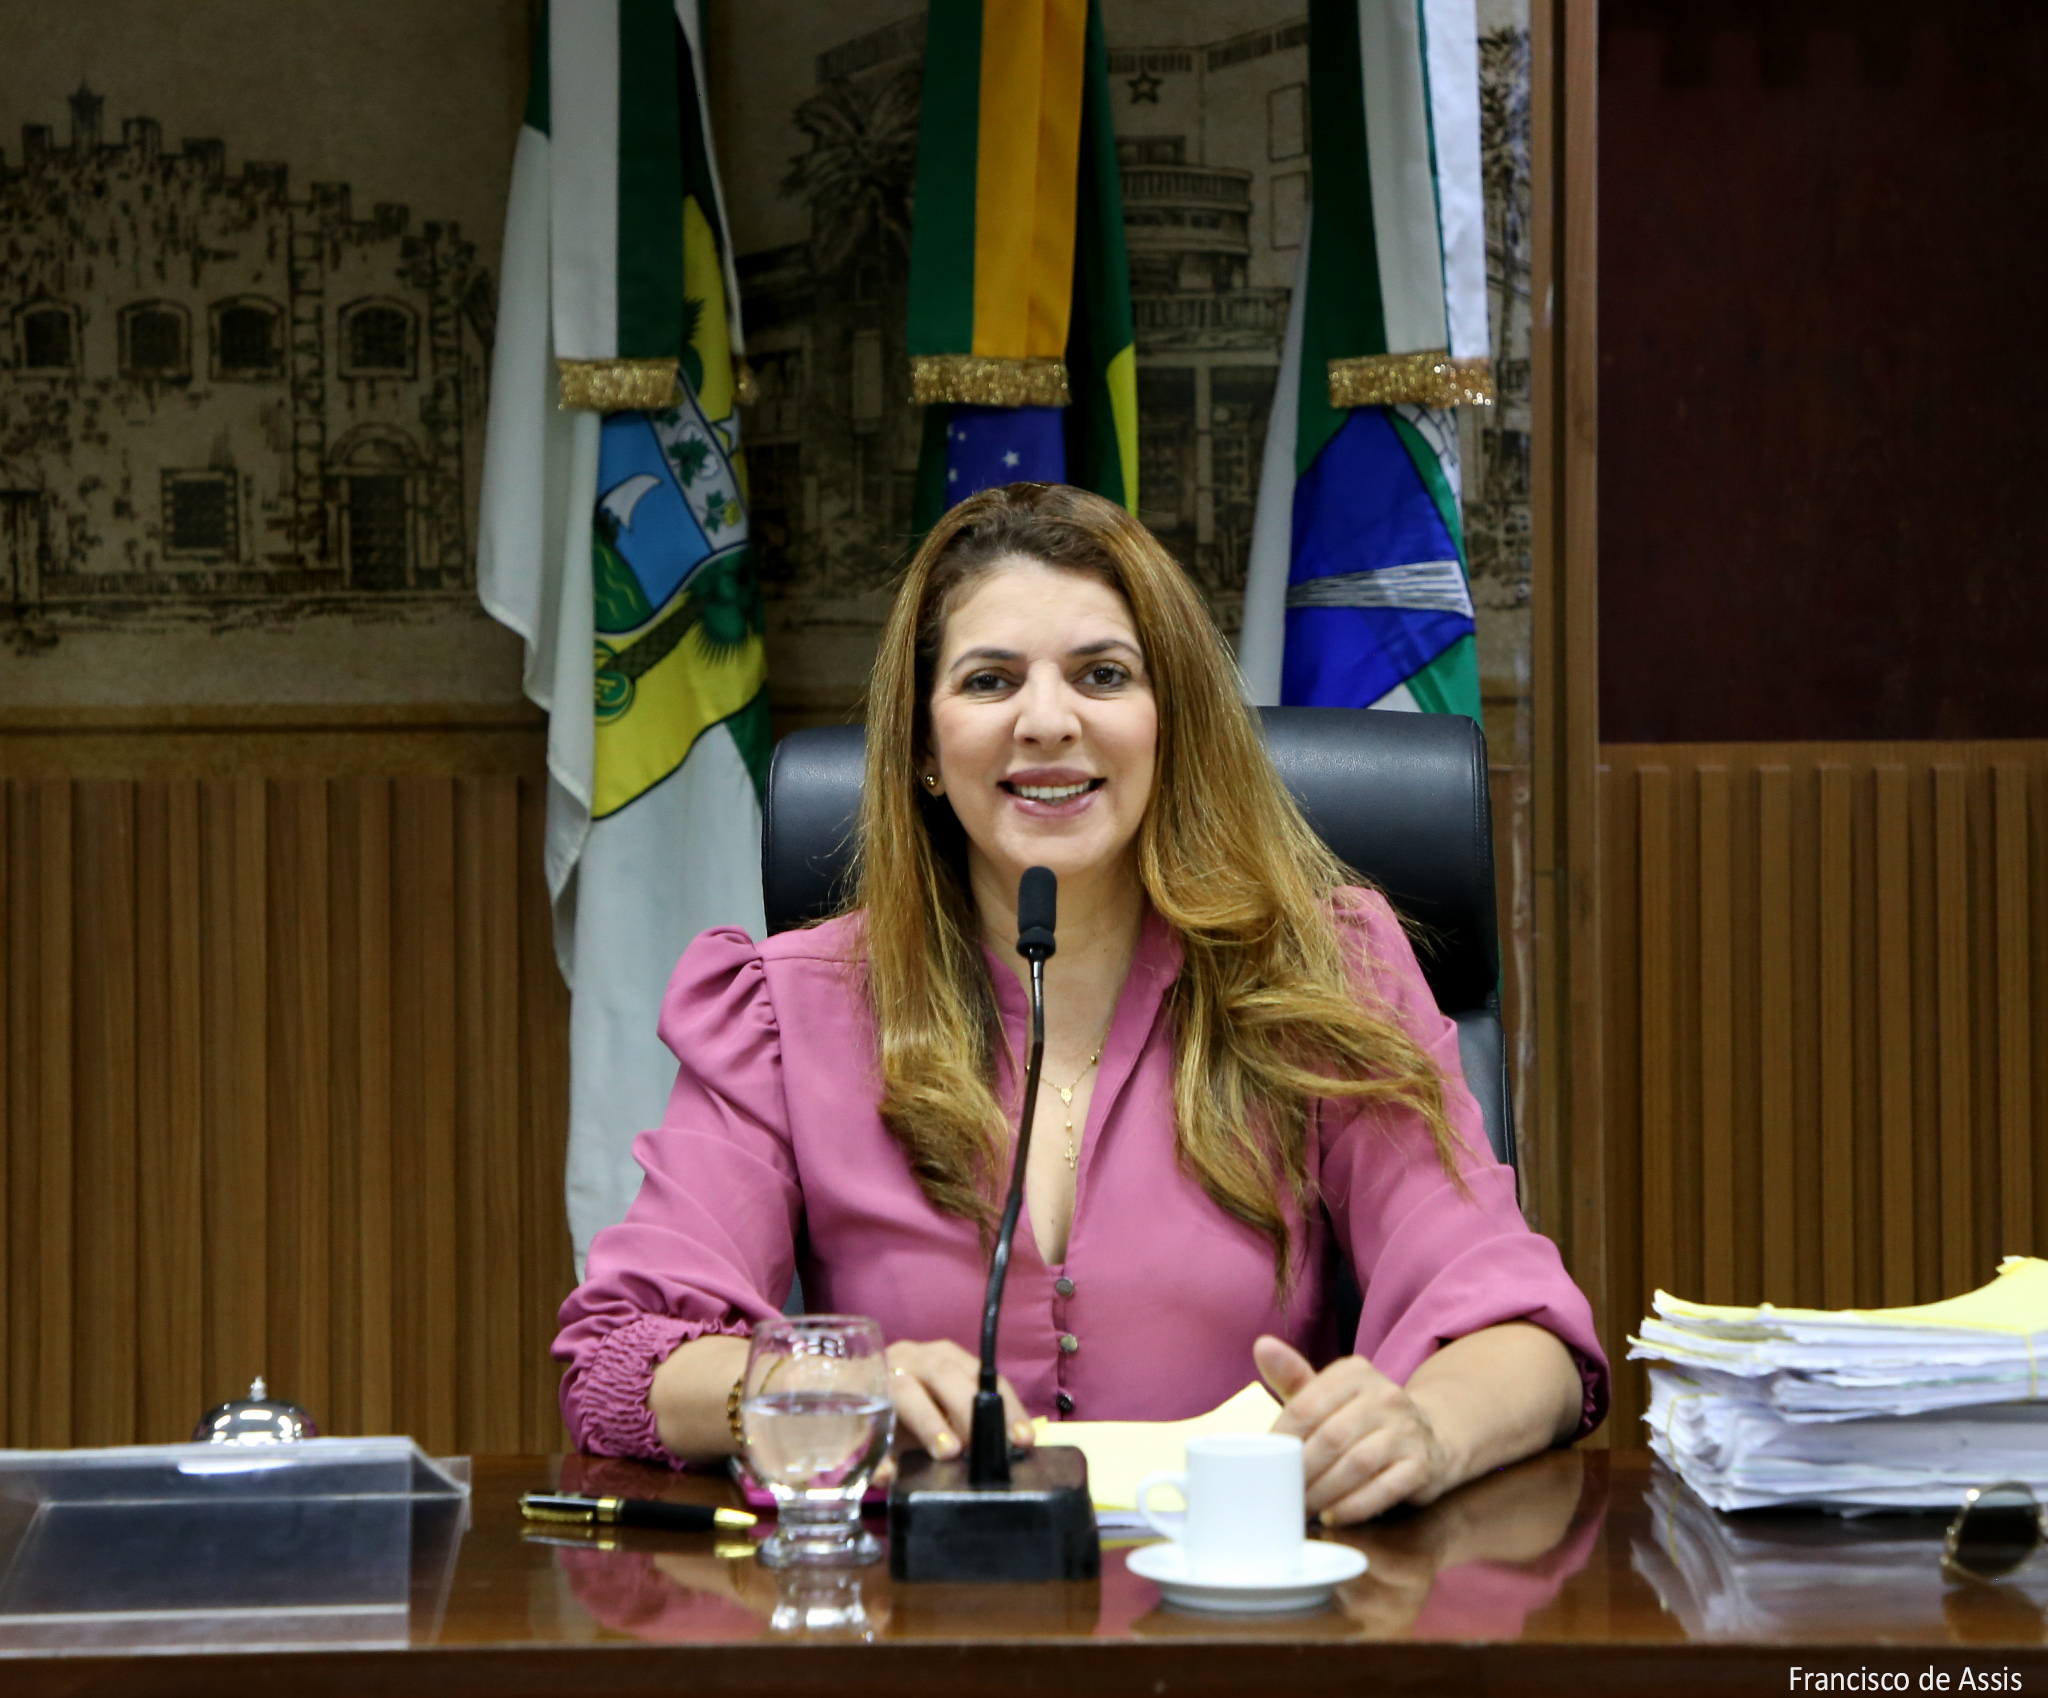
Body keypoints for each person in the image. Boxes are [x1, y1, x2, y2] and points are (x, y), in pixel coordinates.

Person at [554, 482, 1607, 1526]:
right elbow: (619, 1361)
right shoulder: (787, 1012)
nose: (1048, 722)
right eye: (989, 681)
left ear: (1168, 723)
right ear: (922, 748)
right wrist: (818, 1385)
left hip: (1238, 1598)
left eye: (1103, 675)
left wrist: (1424, 1428)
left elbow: (1523, 1338)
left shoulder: (1319, 978)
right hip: (917, 1604)